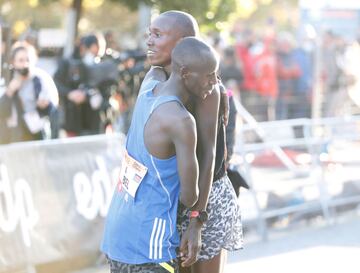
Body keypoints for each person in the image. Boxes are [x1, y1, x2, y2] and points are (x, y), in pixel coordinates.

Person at [101, 37, 220, 273]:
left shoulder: (148, 84)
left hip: (117, 235)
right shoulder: (182, 121)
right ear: (185, 72)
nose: (215, 83)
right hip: (149, 244)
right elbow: (189, 195)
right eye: (209, 75)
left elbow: (157, 67)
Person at [145, 11, 243, 273]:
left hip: (206, 200)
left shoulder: (208, 88)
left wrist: (196, 219)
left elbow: (208, 156)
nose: (149, 41)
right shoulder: (156, 79)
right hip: (177, 199)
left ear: (183, 44)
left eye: (157, 34)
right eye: (150, 33)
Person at [0, 42, 59, 144]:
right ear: (13, 62)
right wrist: (9, 92)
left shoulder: (42, 79)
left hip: (37, 134)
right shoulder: (6, 80)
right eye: (21, 60)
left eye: (28, 60)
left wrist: (45, 106)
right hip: (13, 137)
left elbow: (53, 108)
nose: (25, 64)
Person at [53, 34, 104, 136]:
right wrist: (70, 94)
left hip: (92, 120)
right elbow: (56, 83)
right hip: (72, 118)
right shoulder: (67, 63)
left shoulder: (100, 64)